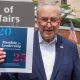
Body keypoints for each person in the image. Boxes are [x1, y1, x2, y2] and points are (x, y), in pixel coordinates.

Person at [0, 3, 80, 80]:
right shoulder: (22, 45)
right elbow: (10, 77)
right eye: (44, 19)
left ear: (59, 21)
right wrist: (2, 67)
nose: (49, 25)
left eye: (53, 20)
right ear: (37, 21)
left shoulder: (71, 48)